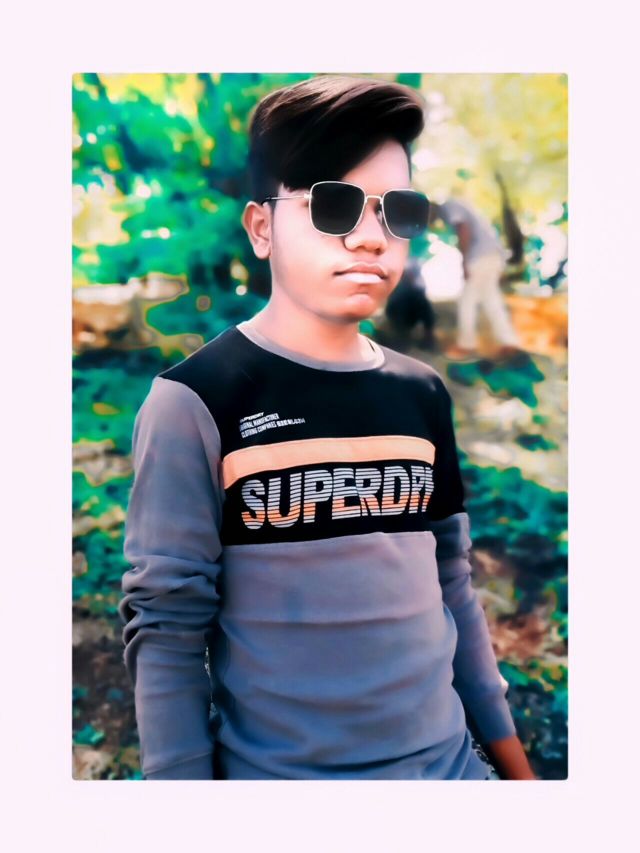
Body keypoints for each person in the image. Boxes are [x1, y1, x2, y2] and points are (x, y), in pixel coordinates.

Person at [118, 75, 537, 781]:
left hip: (451, 771)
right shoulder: (197, 401)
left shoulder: (420, 393)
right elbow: (166, 628)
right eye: (333, 204)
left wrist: (515, 770)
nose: (371, 237)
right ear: (262, 228)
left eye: (397, 211)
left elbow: (452, 585)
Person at [434, 195, 523, 361]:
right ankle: (509, 342)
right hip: (494, 255)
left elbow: (463, 229)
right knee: (492, 300)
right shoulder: (460, 205)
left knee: (467, 301)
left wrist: (465, 260)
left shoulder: (448, 206)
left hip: (480, 256)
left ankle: (466, 345)